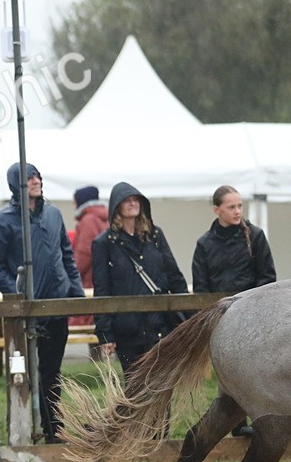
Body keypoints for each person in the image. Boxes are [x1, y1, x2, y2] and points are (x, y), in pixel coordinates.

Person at [0, 162, 84, 444]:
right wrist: (17, 294)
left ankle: (54, 430)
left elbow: (67, 255)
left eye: (37, 176)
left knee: (52, 371)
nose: (36, 181)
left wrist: (74, 293)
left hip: (57, 304)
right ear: (17, 184)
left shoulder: (53, 214)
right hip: (25, 311)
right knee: (22, 374)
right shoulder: (2, 221)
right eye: (29, 178)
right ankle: (23, 431)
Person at [191, 185, 277, 437]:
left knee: (259, 372)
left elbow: (267, 277)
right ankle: (235, 426)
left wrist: (253, 310)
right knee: (228, 374)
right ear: (217, 209)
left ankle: (260, 422)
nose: (237, 211)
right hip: (221, 318)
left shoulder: (256, 236)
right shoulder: (205, 244)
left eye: (239, 206)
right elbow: (202, 286)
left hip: (255, 317)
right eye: (231, 207)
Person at [91, 182, 189, 377]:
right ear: (116, 206)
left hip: (159, 324)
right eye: (126, 200)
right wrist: (106, 334)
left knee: (162, 383)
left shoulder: (154, 235)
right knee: (135, 384)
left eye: (136, 199)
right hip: (127, 328)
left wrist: (188, 315)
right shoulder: (104, 243)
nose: (132, 203)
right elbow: (102, 289)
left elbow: (174, 276)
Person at [70, 185, 109, 340]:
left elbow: (84, 253)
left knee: (93, 329)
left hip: (90, 281)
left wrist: (72, 273)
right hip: (100, 279)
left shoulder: (89, 220)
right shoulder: (103, 218)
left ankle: (97, 361)